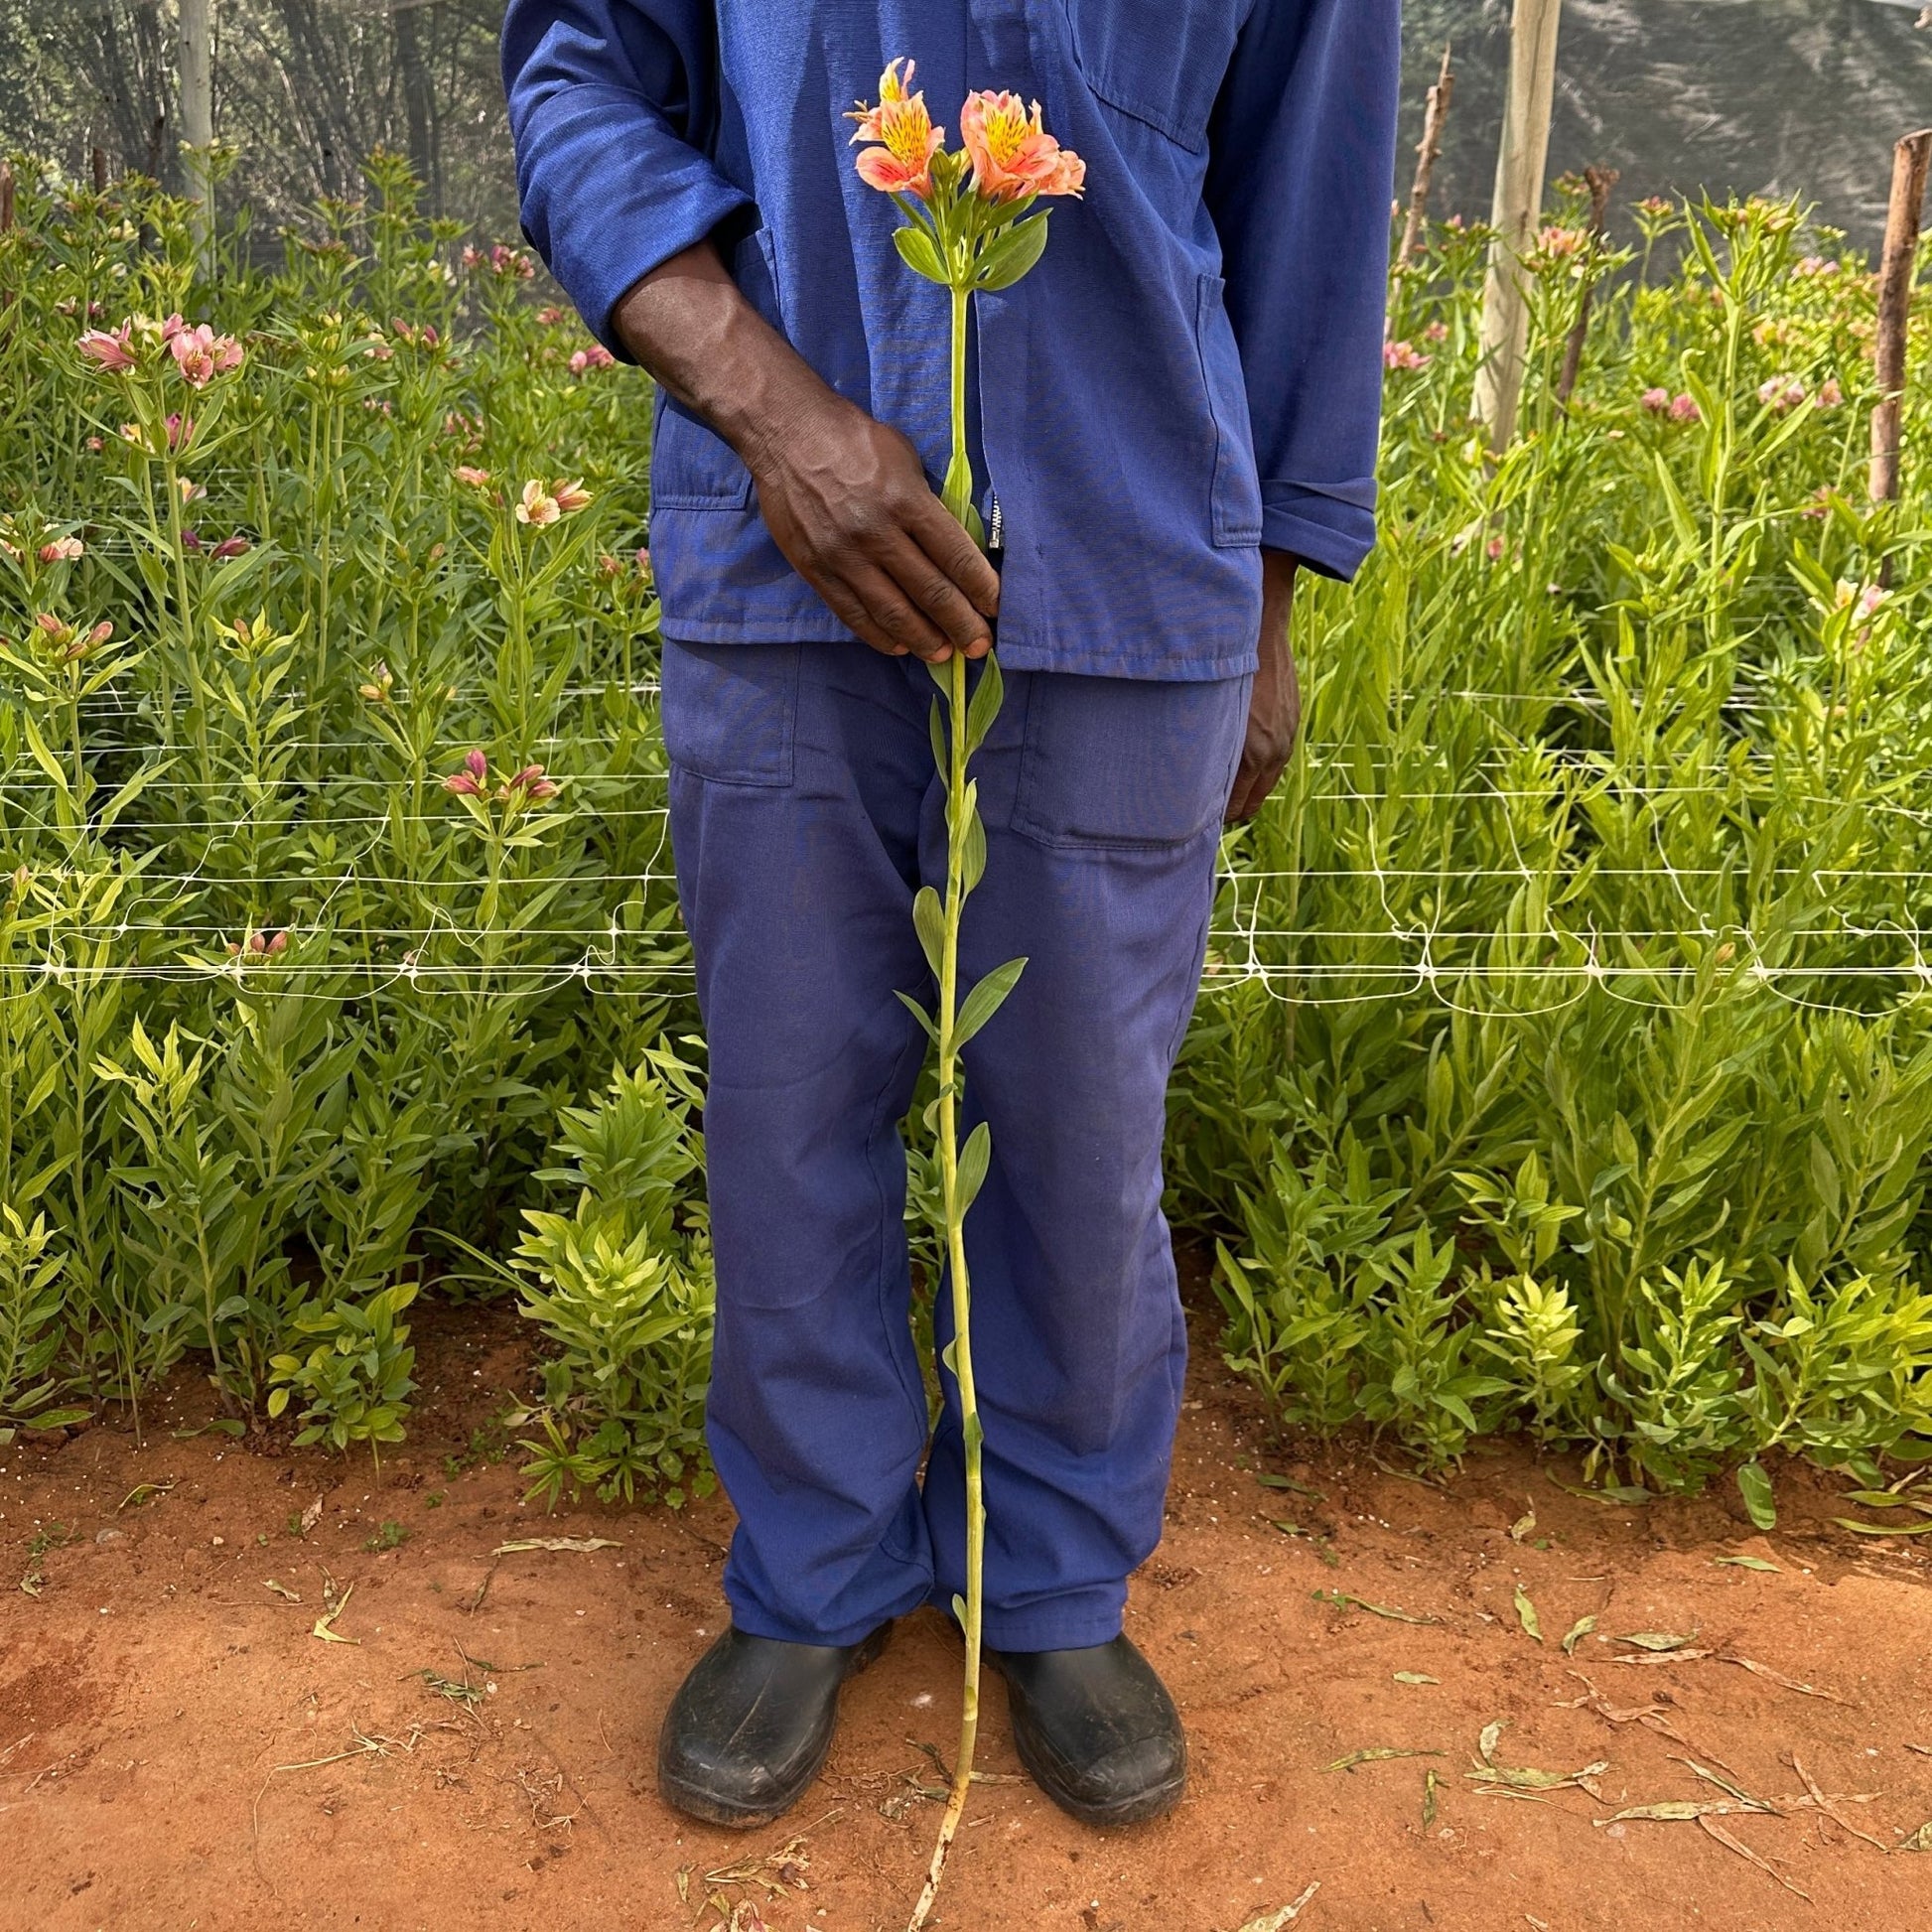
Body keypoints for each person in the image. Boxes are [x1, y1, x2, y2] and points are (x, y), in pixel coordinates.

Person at [501, 0, 1399, 1830]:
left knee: (1080, 1128)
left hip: (1139, 560)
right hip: (782, 555)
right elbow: (582, 81)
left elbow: (1311, 198)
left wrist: (1273, 609)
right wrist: (772, 410)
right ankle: (813, 1570)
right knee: (785, 1102)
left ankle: (1049, 1575)